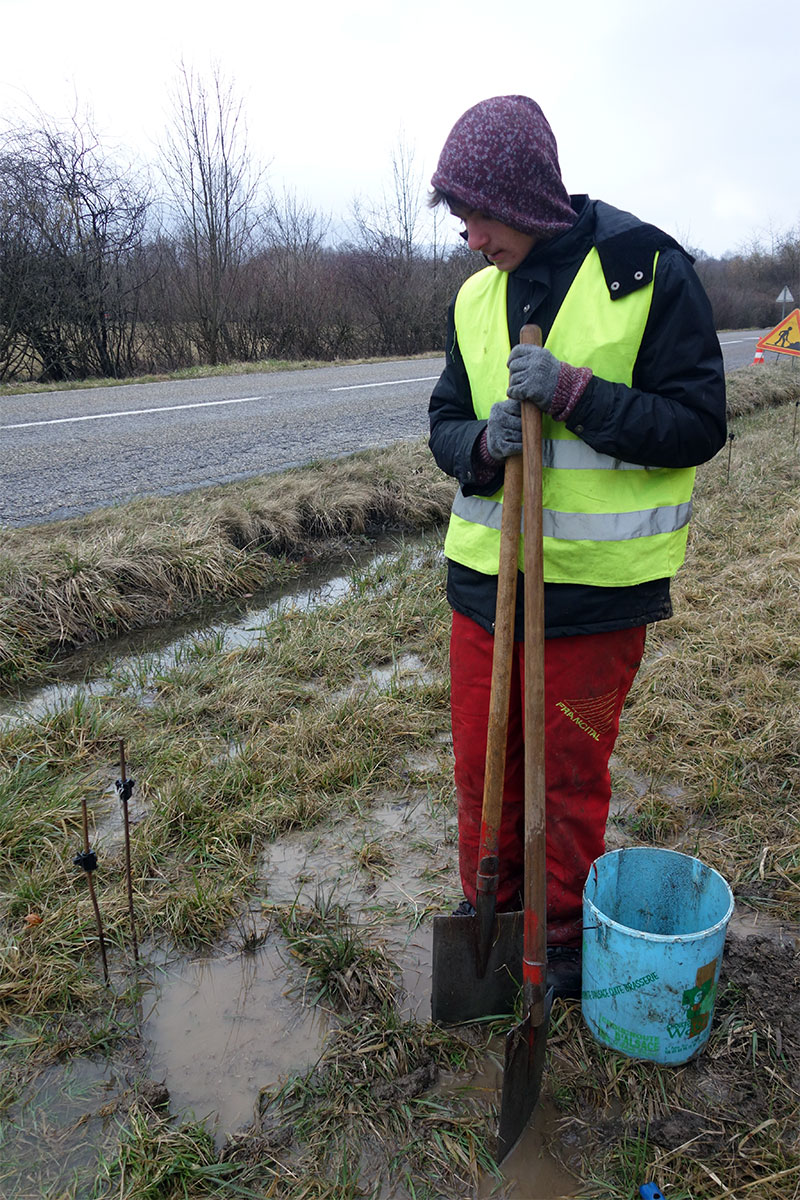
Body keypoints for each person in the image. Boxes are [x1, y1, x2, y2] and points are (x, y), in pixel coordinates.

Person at [427, 95, 726, 998]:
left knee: (564, 783)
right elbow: (442, 421)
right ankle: (491, 927)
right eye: (458, 217)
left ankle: (558, 946)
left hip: (595, 598)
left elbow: (697, 422)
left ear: (523, 195)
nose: (470, 237)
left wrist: (576, 394)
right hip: (485, 591)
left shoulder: (644, 270)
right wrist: (480, 445)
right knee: (485, 780)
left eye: (477, 212)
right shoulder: (477, 296)